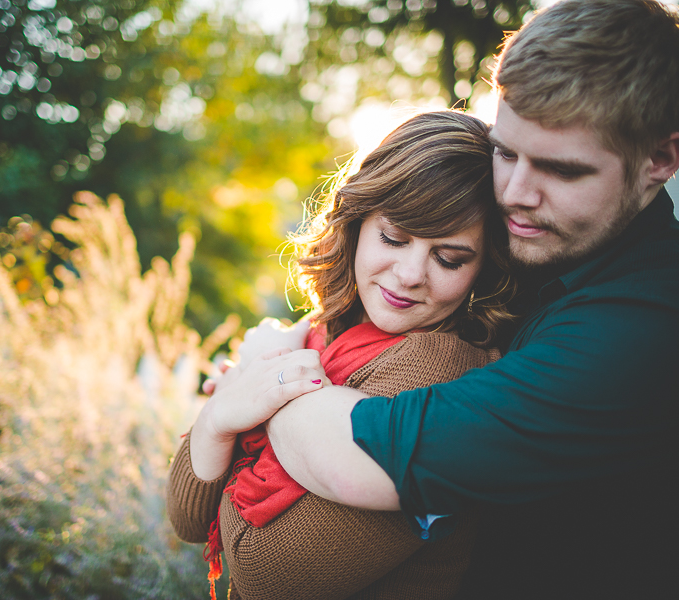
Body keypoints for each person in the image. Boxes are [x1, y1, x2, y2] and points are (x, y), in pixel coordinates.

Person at [224, 1, 679, 598]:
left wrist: (266, 378)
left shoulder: (655, 324)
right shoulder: (527, 249)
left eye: (561, 169)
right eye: (506, 151)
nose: (514, 193)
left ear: (660, 160)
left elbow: (367, 457)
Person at [166, 110, 517, 599]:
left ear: (484, 266)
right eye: (394, 237)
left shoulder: (442, 369)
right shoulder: (324, 330)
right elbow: (186, 515)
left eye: (449, 257)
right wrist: (219, 418)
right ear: (357, 222)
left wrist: (261, 380)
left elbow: (263, 573)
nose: (411, 273)